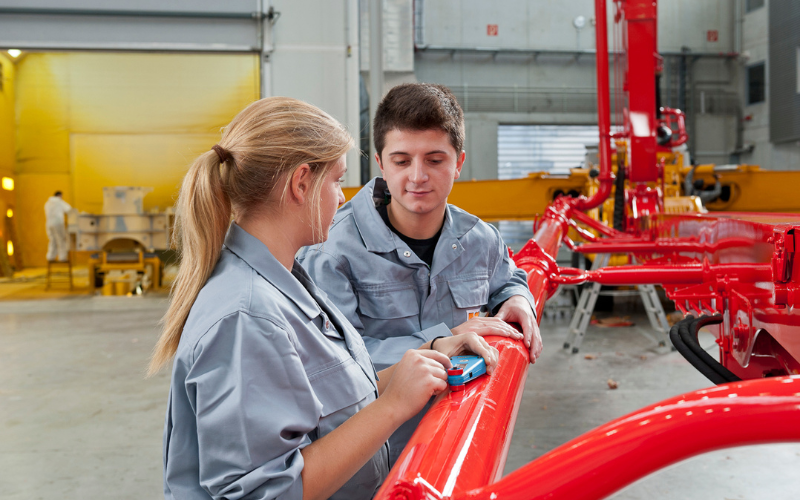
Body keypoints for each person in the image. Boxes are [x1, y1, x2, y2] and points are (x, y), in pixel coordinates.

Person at [148, 97, 509, 500]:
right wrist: (392, 407)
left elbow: (326, 400)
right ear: (301, 183)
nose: (341, 199)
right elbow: (264, 492)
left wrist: (421, 359)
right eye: (337, 180)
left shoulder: (288, 282)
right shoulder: (247, 317)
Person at [298, 83, 541, 465]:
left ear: (459, 162)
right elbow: (334, 367)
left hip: (458, 443)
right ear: (380, 162)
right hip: (373, 458)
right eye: (401, 160)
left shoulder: (480, 238)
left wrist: (517, 298)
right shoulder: (331, 251)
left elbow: (506, 278)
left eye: (434, 159)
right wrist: (441, 339)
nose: (417, 176)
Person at [44, 191, 73, 262]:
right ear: (59, 195)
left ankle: (50, 257)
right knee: (61, 239)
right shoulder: (59, 202)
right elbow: (69, 209)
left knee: (52, 240)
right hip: (58, 223)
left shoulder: (47, 203)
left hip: (49, 224)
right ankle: (62, 257)